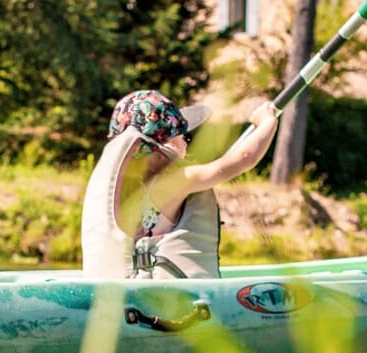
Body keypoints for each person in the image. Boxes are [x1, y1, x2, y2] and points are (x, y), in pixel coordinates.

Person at [80, 89, 280, 279]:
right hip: (165, 306)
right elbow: (244, 159)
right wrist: (267, 122)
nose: (186, 143)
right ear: (168, 143)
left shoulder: (119, 190)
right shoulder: (176, 181)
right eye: (184, 137)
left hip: (128, 298)